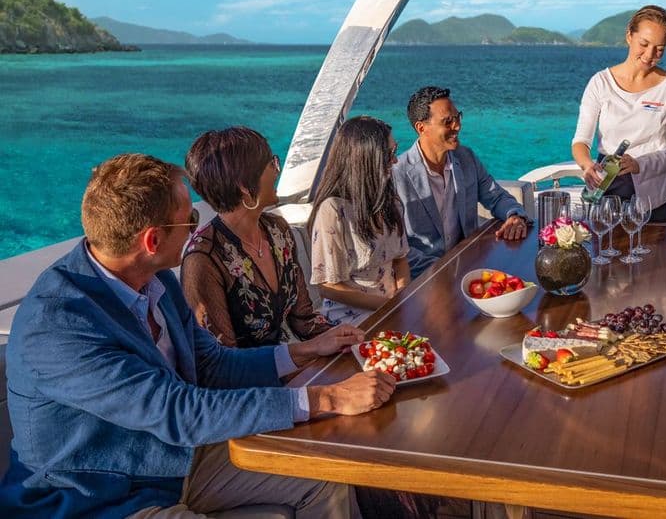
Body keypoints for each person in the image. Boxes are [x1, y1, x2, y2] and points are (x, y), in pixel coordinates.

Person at [0, 153, 395, 518]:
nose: (197, 227)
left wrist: (303, 351)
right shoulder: (57, 326)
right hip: (96, 497)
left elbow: (212, 363)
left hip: (175, 462)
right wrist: (326, 397)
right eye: (189, 219)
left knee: (324, 475)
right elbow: (177, 411)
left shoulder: (156, 283)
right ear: (152, 241)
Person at [181, 126, 350, 348]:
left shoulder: (277, 232)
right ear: (244, 187)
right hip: (255, 379)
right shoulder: (203, 260)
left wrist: (349, 340)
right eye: (272, 164)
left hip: (294, 363)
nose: (277, 171)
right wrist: (302, 358)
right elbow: (220, 361)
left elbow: (304, 320)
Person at [393, 86, 529, 278]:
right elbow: (398, 248)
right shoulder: (397, 175)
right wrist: (445, 269)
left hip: (469, 268)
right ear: (421, 128)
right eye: (448, 121)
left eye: (457, 117)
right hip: (424, 281)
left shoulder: (466, 158)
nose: (457, 126)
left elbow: (496, 197)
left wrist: (515, 215)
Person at [571, 5, 666, 223]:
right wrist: (587, 166)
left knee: (652, 256)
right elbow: (581, 141)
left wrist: (639, 163)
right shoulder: (600, 83)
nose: (649, 55)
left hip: (652, 191)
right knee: (605, 253)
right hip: (607, 186)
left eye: (659, 49)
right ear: (629, 36)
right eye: (644, 44)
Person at [308, 116, 410, 326]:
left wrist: (402, 297)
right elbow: (328, 285)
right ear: (366, 158)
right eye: (389, 154)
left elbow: (400, 260)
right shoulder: (334, 210)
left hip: (390, 310)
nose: (395, 160)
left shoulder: (390, 202)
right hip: (349, 321)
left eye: (395, 150)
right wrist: (386, 306)